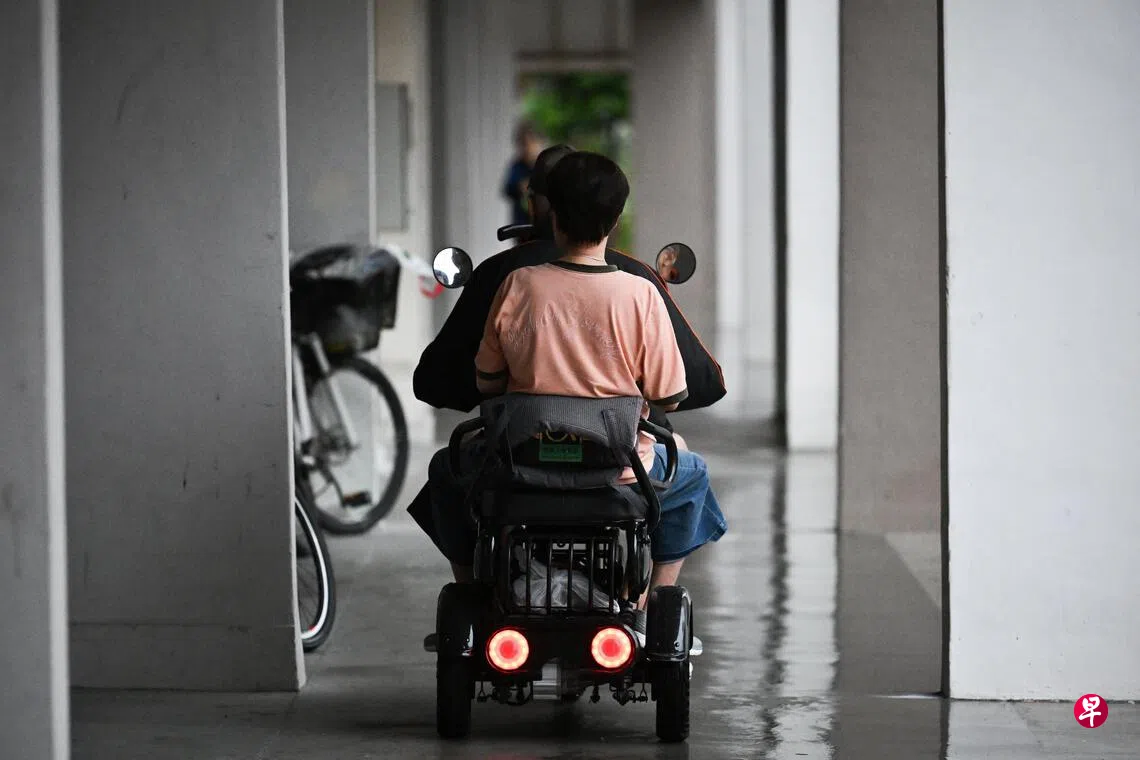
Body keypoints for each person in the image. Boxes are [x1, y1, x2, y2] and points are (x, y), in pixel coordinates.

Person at [430, 151, 727, 637]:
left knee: (447, 468)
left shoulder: (516, 284)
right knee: (692, 475)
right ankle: (650, 604)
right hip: (620, 470)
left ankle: (475, 596)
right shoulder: (640, 293)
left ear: (552, 214)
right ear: (616, 220)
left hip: (516, 464)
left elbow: (487, 382)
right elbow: (670, 396)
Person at [502, 121, 543, 226]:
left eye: (530, 143)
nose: (527, 148)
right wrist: (519, 187)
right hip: (521, 222)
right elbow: (507, 189)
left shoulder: (543, 165)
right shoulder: (517, 166)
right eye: (523, 144)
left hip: (541, 222)